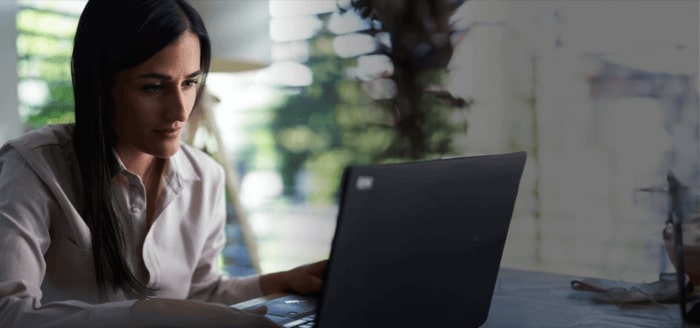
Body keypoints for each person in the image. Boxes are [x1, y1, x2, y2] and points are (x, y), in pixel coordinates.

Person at [0, 0, 326, 327]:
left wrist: (281, 282)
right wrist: (145, 313)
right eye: (154, 87)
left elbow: (199, 295)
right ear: (100, 84)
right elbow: (9, 313)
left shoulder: (206, 176)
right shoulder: (33, 167)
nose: (180, 112)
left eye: (189, 83)